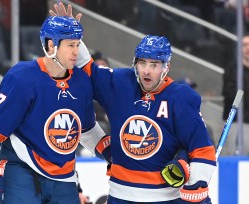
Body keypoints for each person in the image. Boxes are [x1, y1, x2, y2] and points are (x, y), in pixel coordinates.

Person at [50, 3, 217, 203]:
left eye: (154, 65)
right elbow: (87, 68)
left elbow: (202, 149)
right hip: (121, 196)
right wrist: (70, 36)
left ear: (166, 67)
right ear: (135, 63)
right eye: (142, 63)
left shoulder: (180, 97)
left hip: (166, 198)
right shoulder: (120, 84)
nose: (147, 70)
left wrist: (197, 184)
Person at [0, 16, 110, 204]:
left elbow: (84, 128)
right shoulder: (22, 78)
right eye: (71, 45)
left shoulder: (81, 81)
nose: (76, 52)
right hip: (22, 171)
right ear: (51, 45)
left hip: (64, 176)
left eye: (78, 45)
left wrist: (108, 151)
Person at [222, 34, 249, 155]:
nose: (248, 48)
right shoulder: (233, 69)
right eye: (245, 45)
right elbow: (232, 94)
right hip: (237, 121)